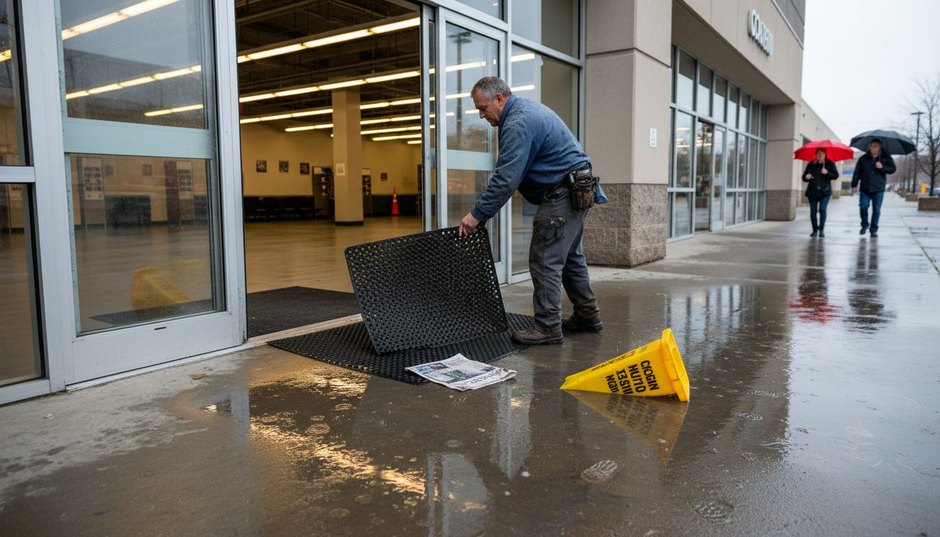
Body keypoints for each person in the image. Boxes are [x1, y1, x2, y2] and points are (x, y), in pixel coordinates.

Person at [457, 76, 602, 345]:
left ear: (499, 99)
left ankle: (547, 326)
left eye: (483, 108)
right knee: (570, 258)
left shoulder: (518, 122)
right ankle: (587, 315)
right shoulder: (525, 112)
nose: (480, 115)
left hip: (563, 193)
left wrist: (477, 214)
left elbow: (506, 179)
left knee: (545, 258)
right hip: (577, 189)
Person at [851, 139, 896, 238]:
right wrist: (854, 184)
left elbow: (892, 169)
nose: (873, 148)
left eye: (875, 146)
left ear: (879, 147)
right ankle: (864, 224)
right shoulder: (863, 158)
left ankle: (873, 229)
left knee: (876, 210)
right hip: (865, 188)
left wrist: (882, 167)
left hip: (878, 188)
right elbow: (857, 172)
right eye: (871, 146)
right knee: (863, 206)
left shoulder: (886, 157)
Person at [801, 148, 839, 238]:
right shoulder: (811, 164)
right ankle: (814, 230)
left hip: (825, 192)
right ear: (816, 155)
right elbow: (804, 177)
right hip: (812, 192)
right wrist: (807, 176)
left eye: (822, 154)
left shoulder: (830, 163)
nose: (820, 156)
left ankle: (821, 229)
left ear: (825, 155)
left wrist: (827, 173)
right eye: (818, 154)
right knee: (813, 211)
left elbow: (835, 175)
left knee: (822, 210)